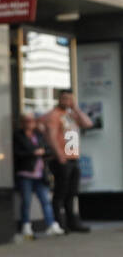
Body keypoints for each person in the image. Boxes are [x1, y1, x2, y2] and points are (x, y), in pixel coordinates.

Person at [40, 89, 93, 232]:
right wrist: (59, 155)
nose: (67, 101)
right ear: (59, 99)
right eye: (64, 98)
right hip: (61, 158)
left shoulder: (70, 115)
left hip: (73, 156)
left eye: (70, 99)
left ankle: (72, 222)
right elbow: (51, 136)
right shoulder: (54, 115)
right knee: (60, 192)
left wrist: (76, 108)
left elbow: (88, 124)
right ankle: (59, 223)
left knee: (72, 192)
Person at [12, 113, 62, 239]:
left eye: (32, 120)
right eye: (27, 121)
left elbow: (48, 149)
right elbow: (17, 153)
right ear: (22, 122)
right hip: (25, 172)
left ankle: (51, 224)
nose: (30, 123)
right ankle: (26, 225)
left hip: (40, 173)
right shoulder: (18, 136)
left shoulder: (38, 135)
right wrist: (33, 152)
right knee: (26, 201)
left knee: (45, 200)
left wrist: (43, 152)